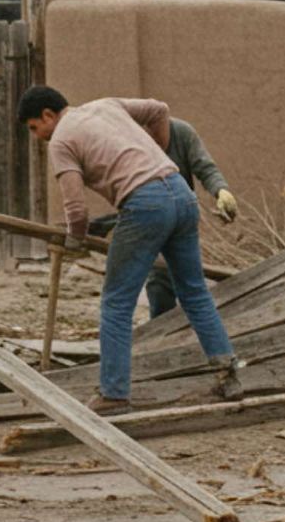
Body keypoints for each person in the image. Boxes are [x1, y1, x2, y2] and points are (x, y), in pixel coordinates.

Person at [19, 85, 241, 413]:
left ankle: (114, 393)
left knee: (116, 303)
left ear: (48, 115)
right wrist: (157, 155)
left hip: (144, 204)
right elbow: (159, 109)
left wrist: (74, 243)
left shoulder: (62, 140)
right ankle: (228, 375)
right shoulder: (106, 104)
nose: (37, 137)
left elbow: (76, 210)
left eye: (35, 128)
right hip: (180, 192)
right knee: (194, 292)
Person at [88, 117, 239, 318]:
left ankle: (195, 330)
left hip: (180, 214)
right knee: (159, 279)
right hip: (147, 215)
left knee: (189, 281)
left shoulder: (182, 133)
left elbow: (205, 167)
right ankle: (159, 331)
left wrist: (221, 191)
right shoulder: (131, 139)